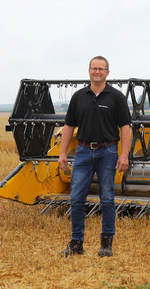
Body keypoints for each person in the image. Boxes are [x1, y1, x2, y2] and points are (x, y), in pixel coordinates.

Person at [58, 56, 131, 257]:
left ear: (108, 72)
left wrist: (124, 155)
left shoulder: (116, 97)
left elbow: (125, 127)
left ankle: (106, 243)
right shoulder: (79, 96)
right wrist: (62, 153)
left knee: (107, 198)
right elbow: (69, 126)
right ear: (88, 71)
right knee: (76, 198)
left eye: (101, 69)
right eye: (94, 68)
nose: (97, 72)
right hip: (82, 152)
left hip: (107, 152)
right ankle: (76, 243)